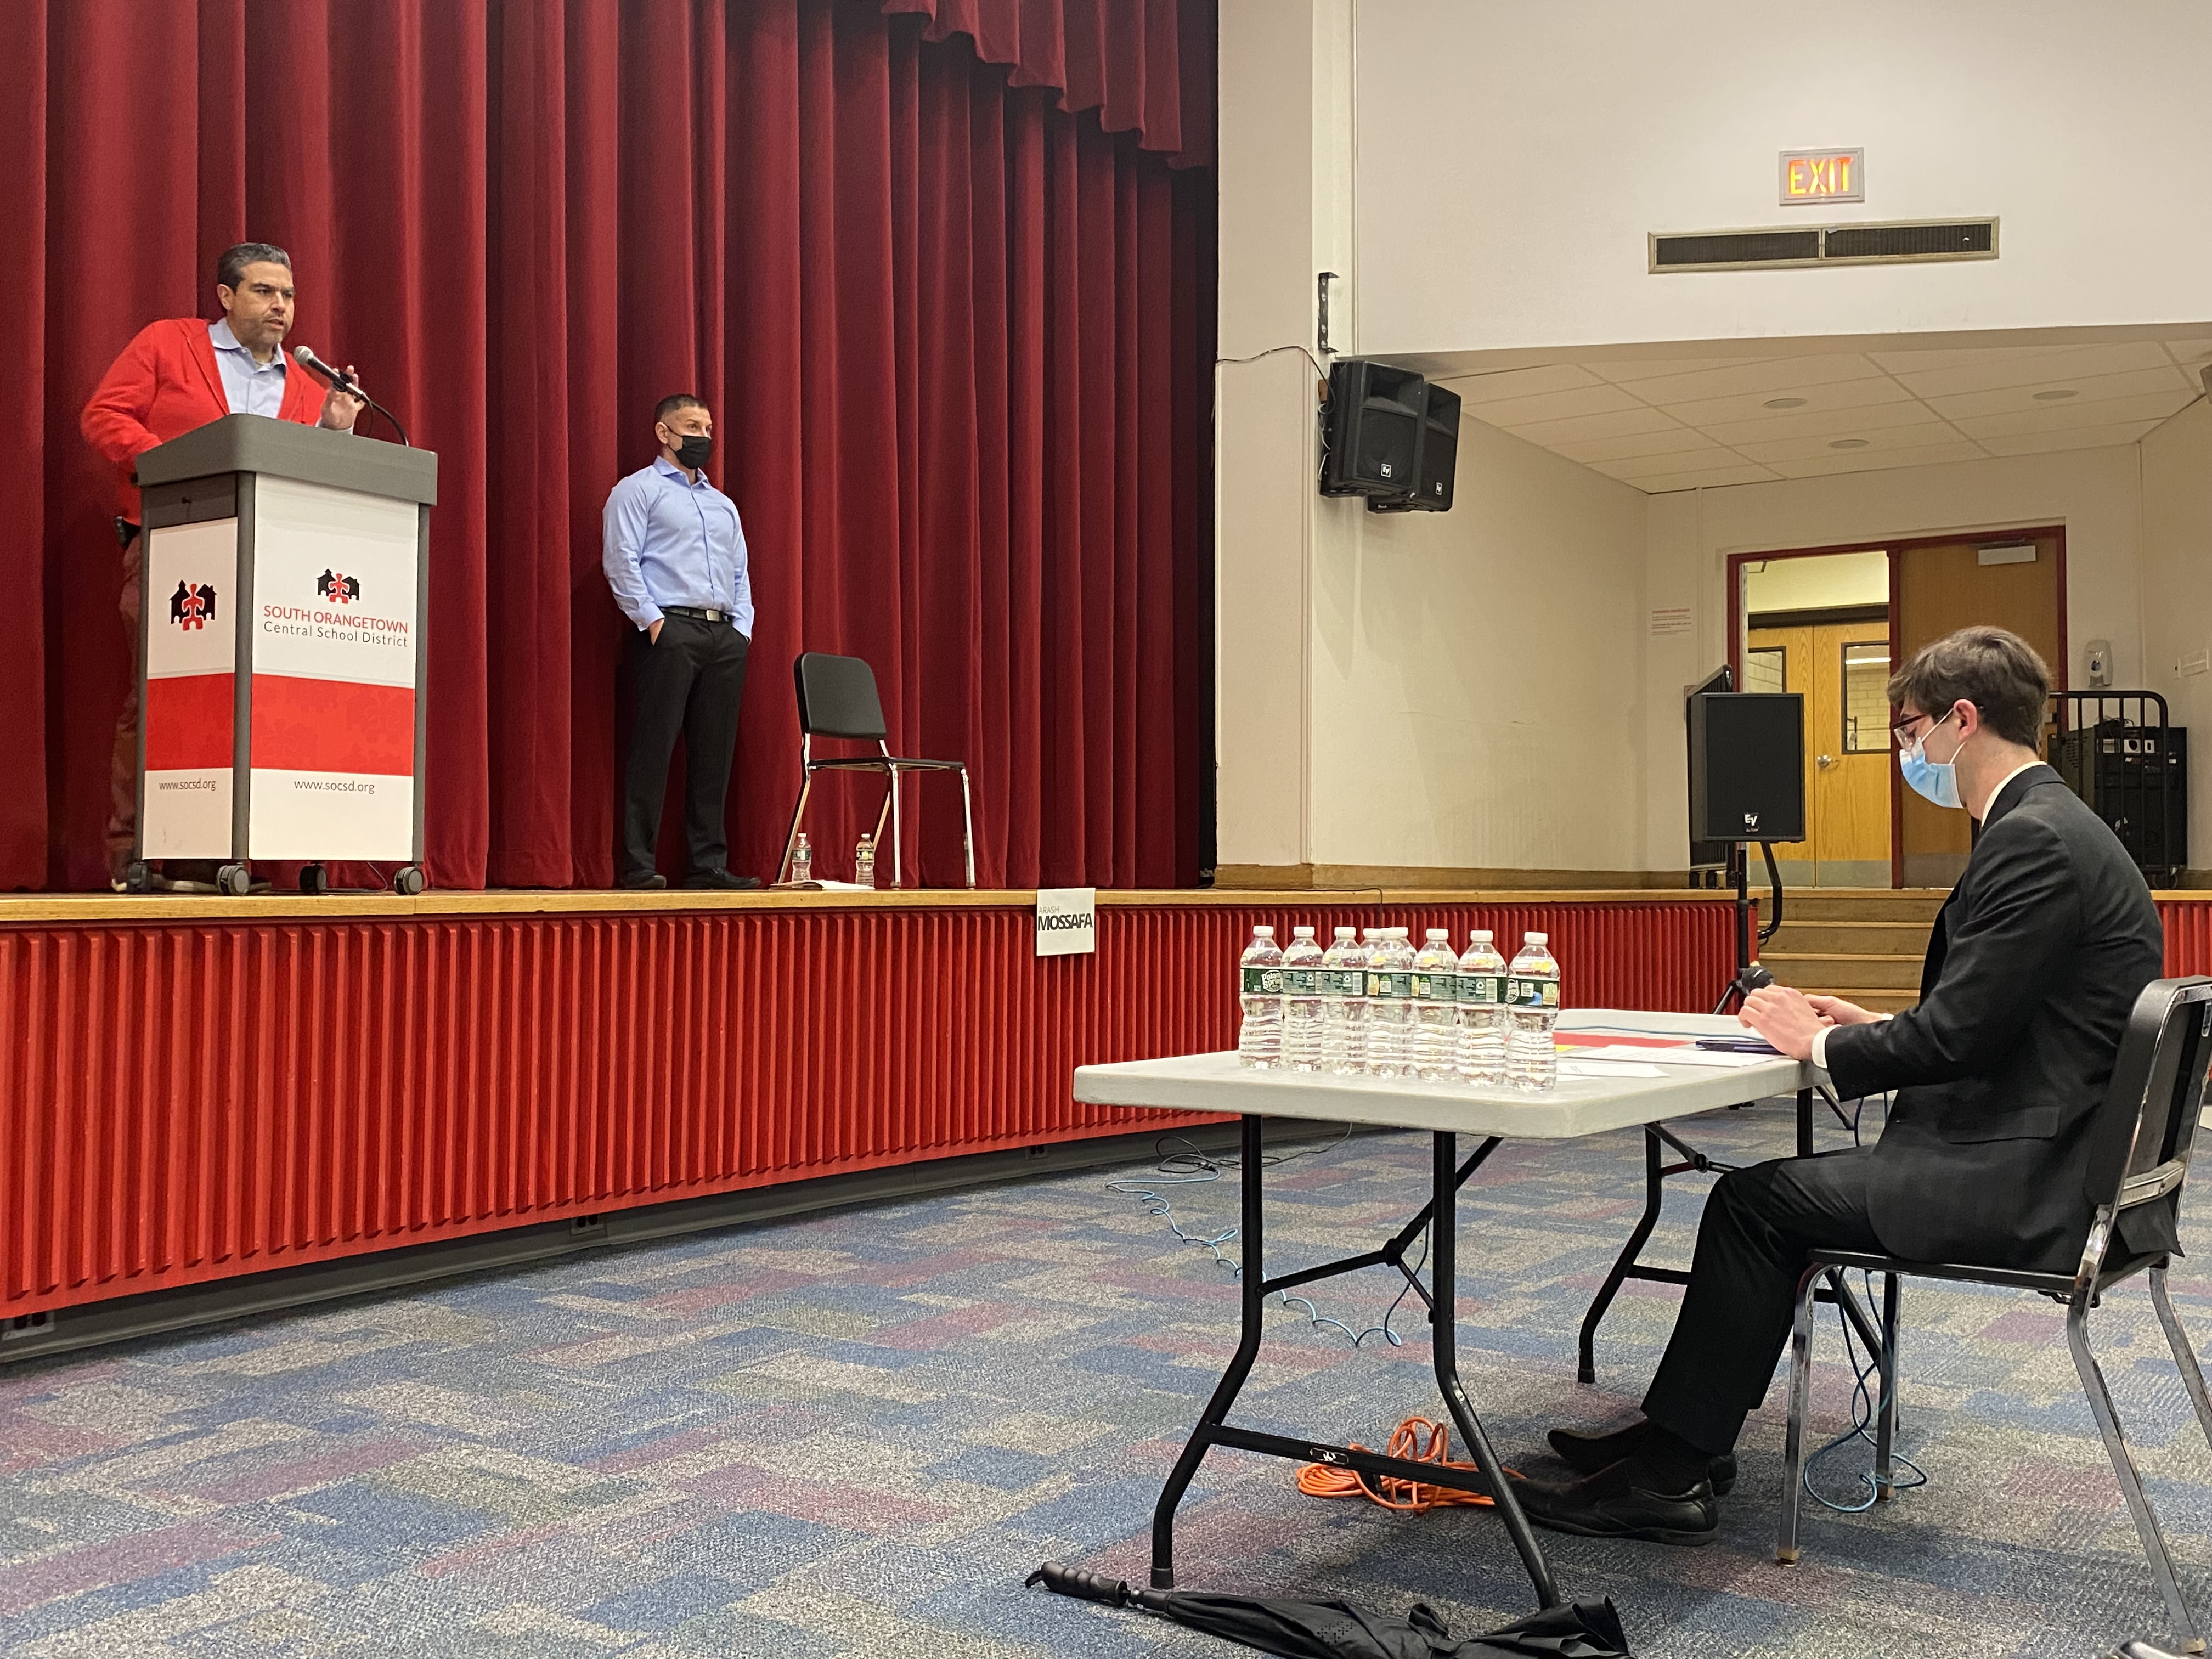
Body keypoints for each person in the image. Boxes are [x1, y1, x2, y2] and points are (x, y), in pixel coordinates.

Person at [1515, 625, 2164, 1544]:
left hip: (2026, 1181)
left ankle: (1668, 1470)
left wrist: (1814, 1048)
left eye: (1905, 729)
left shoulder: (2034, 839)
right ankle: (1681, 1439)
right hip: (2049, 1148)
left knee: (1751, 1204)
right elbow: (2003, 1021)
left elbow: (1959, 1033)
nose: (1904, 748)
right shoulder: (2057, 825)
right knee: (1765, 1202)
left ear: (1960, 719)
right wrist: (1865, 1026)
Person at [81, 242, 366, 889]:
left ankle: (215, 857)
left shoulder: (305, 381)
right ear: (226, 296)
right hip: (173, 541)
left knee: (242, 704)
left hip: (265, 557)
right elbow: (103, 415)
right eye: (265, 291)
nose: (281, 307)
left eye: (288, 296)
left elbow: (295, 471)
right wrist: (169, 459)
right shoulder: (168, 343)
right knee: (156, 695)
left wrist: (334, 435)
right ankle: (135, 858)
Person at [602, 394, 760, 890]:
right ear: (664, 433)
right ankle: (639, 864)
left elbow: (741, 573)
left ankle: (707, 863)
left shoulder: (723, 504)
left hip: (723, 635)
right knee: (653, 748)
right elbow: (621, 561)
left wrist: (742, 630)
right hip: (669, 631)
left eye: (709, 428)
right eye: (692, 426)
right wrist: (654, 624)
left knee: (715, 754)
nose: (704, 437)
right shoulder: (637, 491)